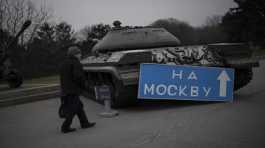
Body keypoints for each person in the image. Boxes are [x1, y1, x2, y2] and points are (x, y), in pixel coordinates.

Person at [60, 46, 95, 133]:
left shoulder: (64, 63)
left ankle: (85, 123)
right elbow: (78, 77)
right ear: (75, 54)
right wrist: (84, 86)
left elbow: (63, 78)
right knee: (73, 109)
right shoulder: (76, 63)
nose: (80, 55)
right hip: (73, 90)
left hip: (66, 89)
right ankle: (65, 127)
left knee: (79, 106)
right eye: (79, 53)